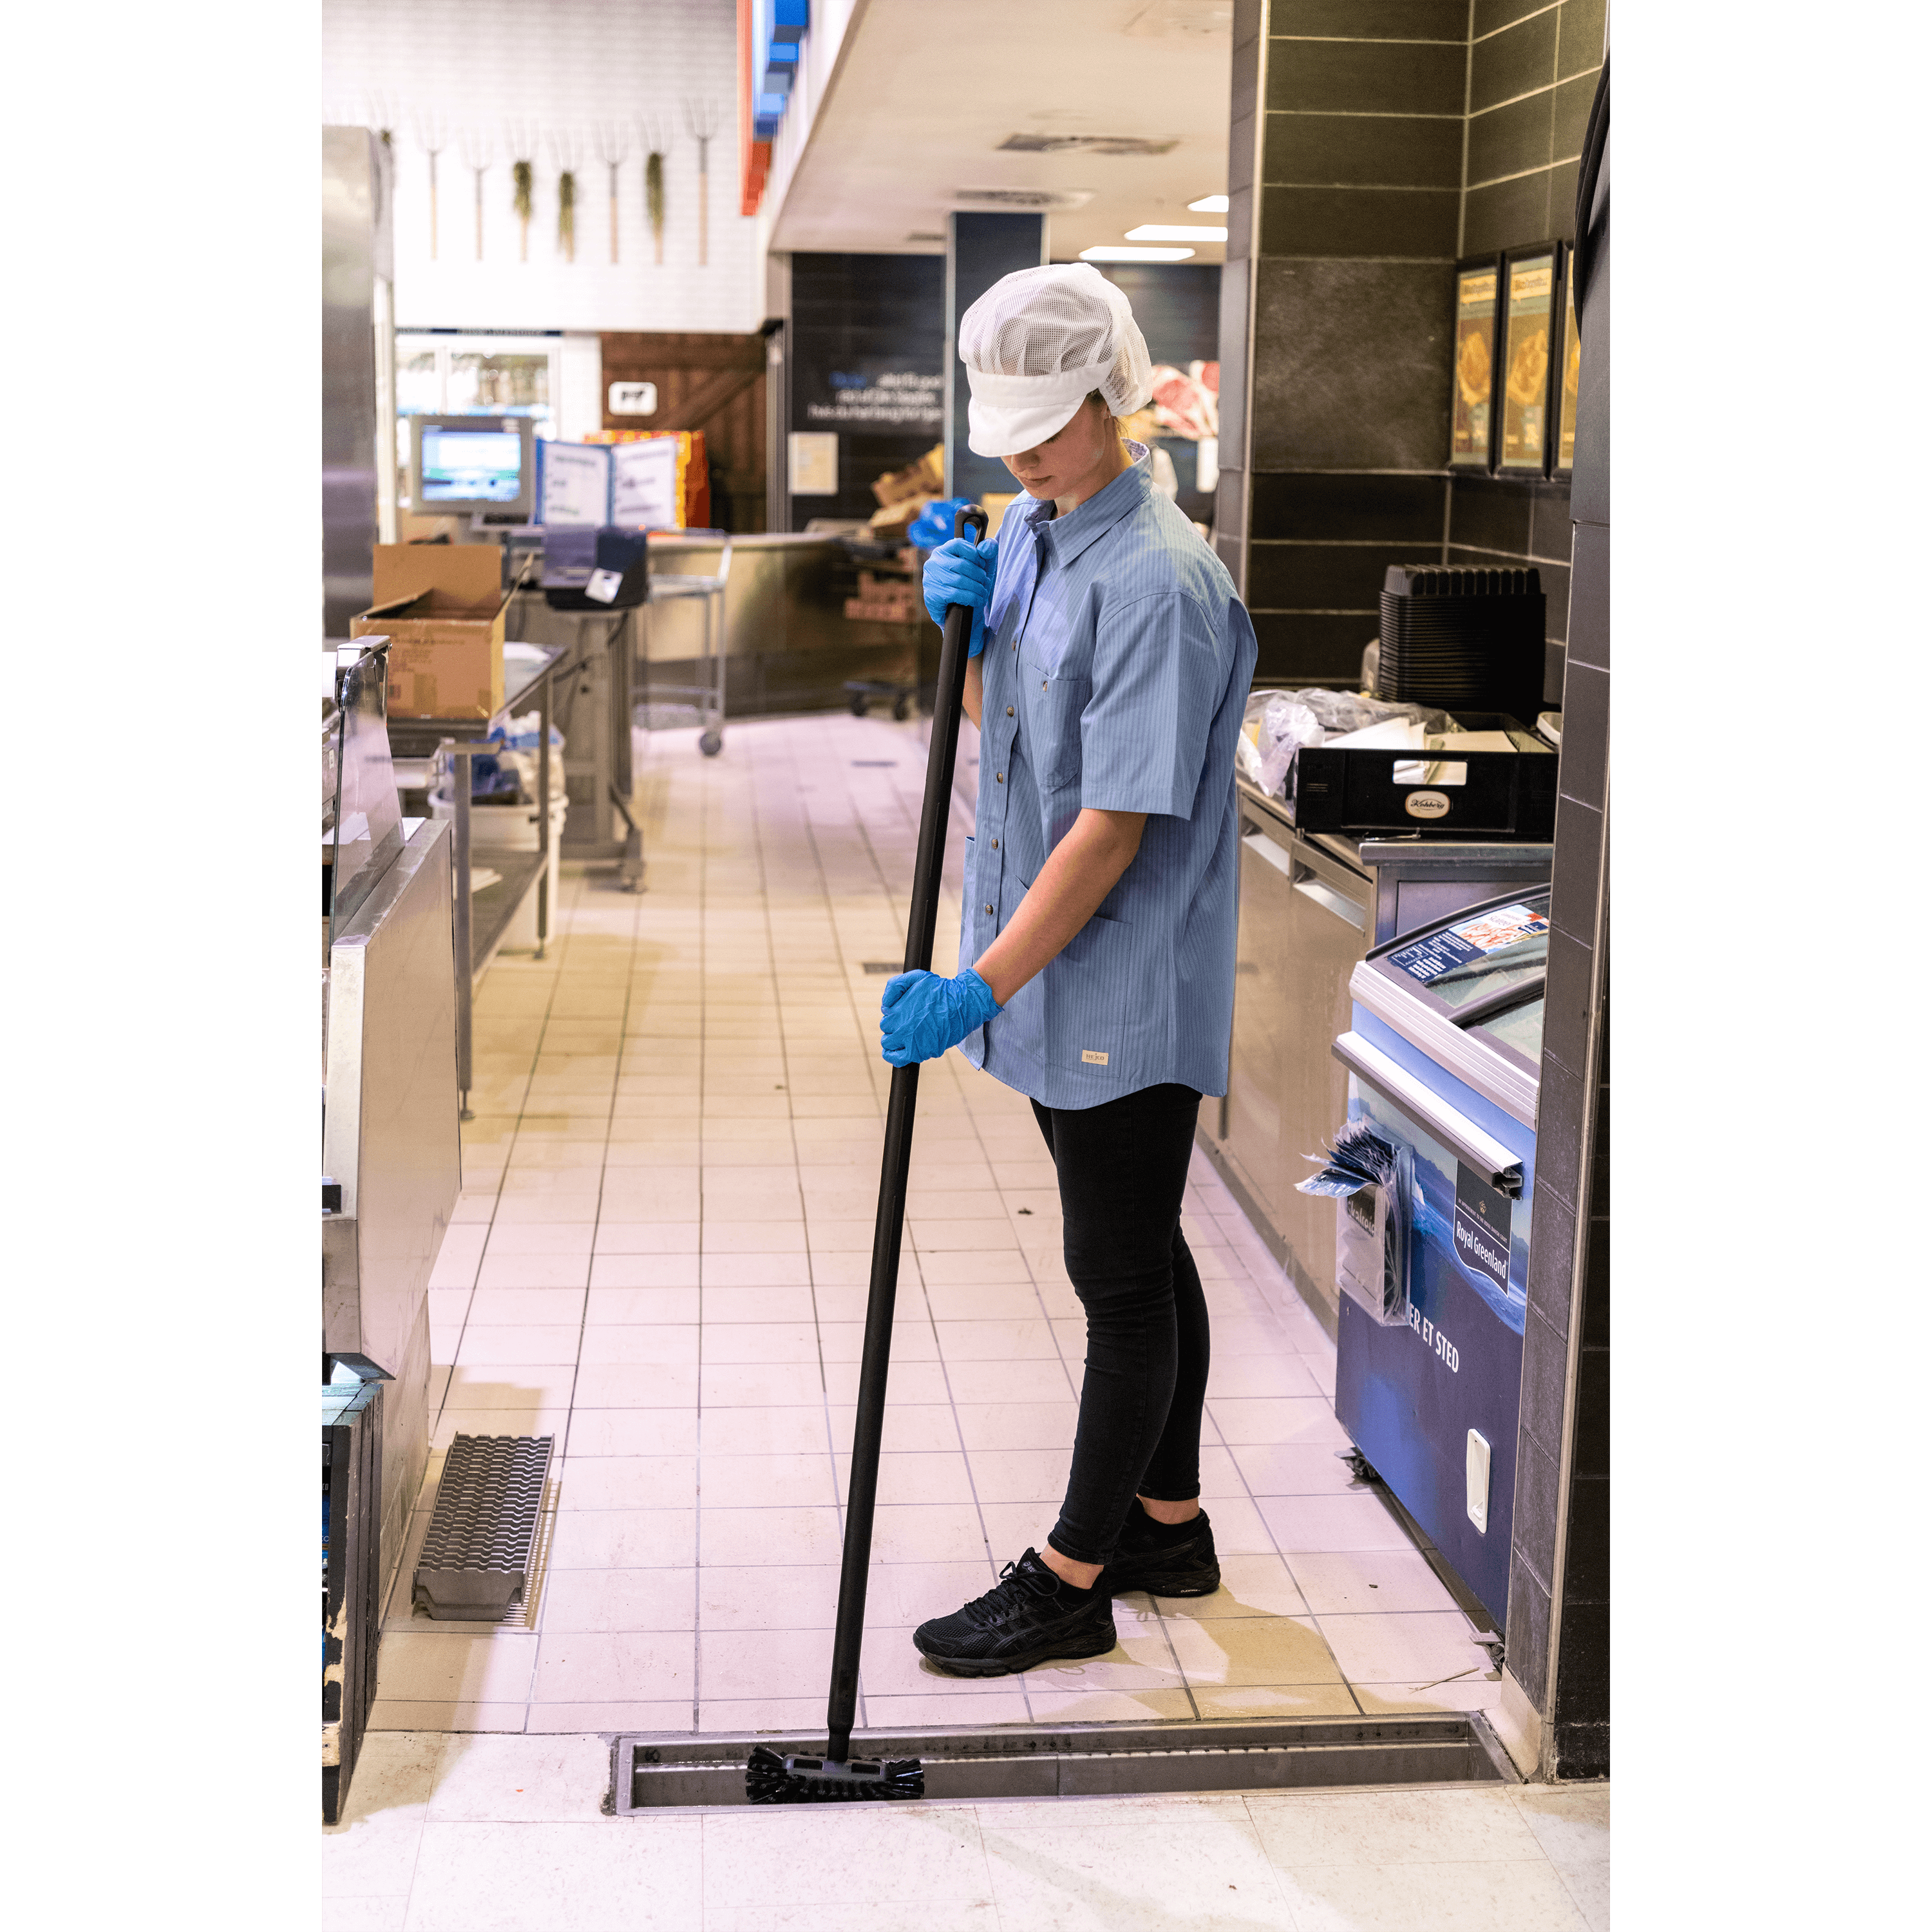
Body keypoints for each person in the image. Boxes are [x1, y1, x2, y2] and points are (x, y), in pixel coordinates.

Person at [878, 263, 1258, 1676]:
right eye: (1011, 430)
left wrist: (979, 982)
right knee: (1144, 1245)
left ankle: (1074, 1578)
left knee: (1118, 1279)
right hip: (1057, 972)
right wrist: (961, 633)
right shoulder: (1035, 530)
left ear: (1115, 398)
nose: (1025, 455)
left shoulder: (1159, 581)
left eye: (1049, 427)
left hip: (1119, 982)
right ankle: (1169, 1525)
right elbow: (1017, 736)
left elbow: (1110, 828)